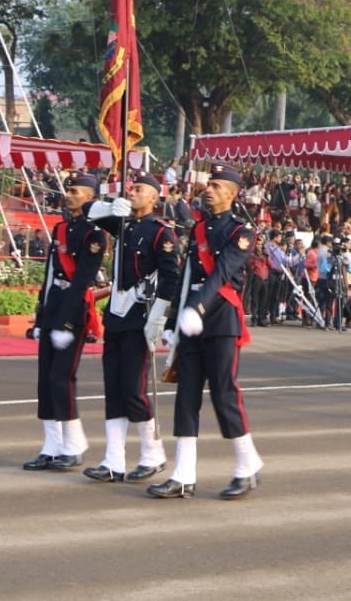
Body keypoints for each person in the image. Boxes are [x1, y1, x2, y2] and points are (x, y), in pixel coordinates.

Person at [149, 165, 264, 500]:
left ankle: (247, 463)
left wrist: (197, 308)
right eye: (208, 184)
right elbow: (186, 278)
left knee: (223, 393)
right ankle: (183, 474)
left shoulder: (240, 231)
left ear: (232, 192)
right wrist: (173, 322)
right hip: (191, 318)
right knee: (186, 396)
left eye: (215, 185)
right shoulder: (200, 226)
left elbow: (222, 276)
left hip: (220, 318)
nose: (208, 189)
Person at [84, 172, 179, 484]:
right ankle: (114, 459)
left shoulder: (160, 233)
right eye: (132, 188)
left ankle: (153, 454)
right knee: (113, 387)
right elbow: (89, 212)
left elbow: (170, 277)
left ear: (153, 197)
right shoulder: (124, 222)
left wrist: (159, 318)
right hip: (117, 313)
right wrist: (113, 205)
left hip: (140, 314)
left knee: (134, 389)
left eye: (139, 190)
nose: (133, 192)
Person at [23, 173, 107, 472]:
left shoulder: (94, 234)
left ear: (89, 197)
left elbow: (83, 279)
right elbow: (49, 277)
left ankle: (74, 444)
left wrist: (67, 323)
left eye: (74, 191)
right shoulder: (60, 228)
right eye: (68, 190)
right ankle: (52, 445)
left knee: (62, 377)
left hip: (73, 307)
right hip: (54, 304)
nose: (67, 195)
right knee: (45, 379)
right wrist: (41, 315)